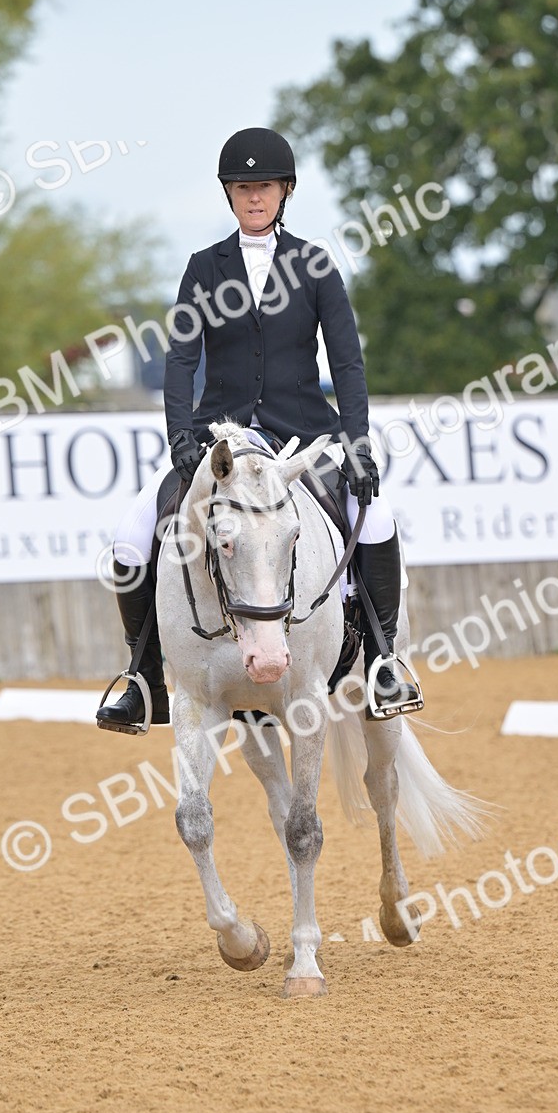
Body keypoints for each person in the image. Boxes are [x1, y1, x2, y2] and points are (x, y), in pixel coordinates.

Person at [96, 126, 421, 734]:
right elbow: (180, 361)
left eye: (264, 187)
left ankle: (383, 661)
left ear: (285, 191)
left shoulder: (315, 265)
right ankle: (142, 678)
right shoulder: (203, 268)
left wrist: (357, 442)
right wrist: (181, 441)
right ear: (229, 194)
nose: (253, 198)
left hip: (304, 437)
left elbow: (346, 362)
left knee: (376, 518)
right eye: (243, 188)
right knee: (130, 536)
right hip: (222, 439)